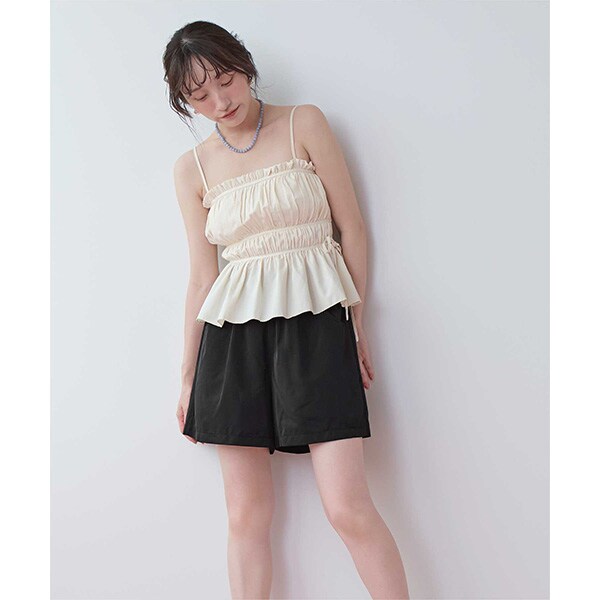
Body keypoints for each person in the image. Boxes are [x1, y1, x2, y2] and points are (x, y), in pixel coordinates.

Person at [163, 20, 410, 600]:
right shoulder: (191, 169)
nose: (221, 102)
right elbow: (202, 277)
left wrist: (356, 323)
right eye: (200, 96)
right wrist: (188, 375)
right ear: (186, 103)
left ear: (245, 65)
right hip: (231, 343)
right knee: (247, 515)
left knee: (347, 507)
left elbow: (351, 228)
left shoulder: (304, 123)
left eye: (226, 80)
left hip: (317, 325)